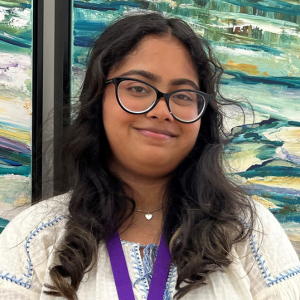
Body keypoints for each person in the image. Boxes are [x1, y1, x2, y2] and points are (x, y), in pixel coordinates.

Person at [0, 12, 299, 300]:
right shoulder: (35, 237)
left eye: (182, 95)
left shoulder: (248, 232)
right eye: (138, 88)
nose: (161, 111)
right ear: (97, 100)